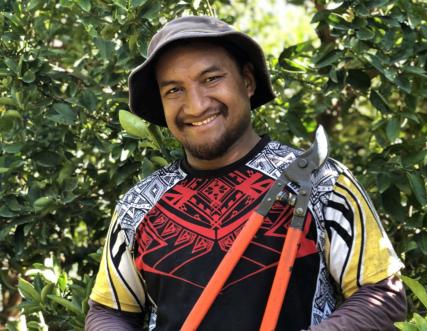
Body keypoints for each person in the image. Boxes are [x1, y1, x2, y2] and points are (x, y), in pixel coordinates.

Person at [85, 15, 407, 331]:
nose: (196, 106)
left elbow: (382, 295)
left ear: (248, 82)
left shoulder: (323, 182)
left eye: (211, 79)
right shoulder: (139, 206)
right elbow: (109, 310)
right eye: (174, 90)